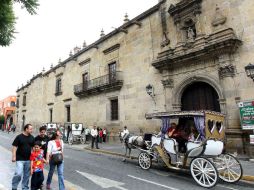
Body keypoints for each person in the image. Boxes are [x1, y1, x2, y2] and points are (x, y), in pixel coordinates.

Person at [12, 124, 35, 190]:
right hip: (19, 159)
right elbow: (14, 147)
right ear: (26, 129)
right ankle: (14, 187)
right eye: (30, 129)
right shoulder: (19, 137)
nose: (31, 130)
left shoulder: (32, 138)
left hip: (28, 159)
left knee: (27, 176)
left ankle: (25, 188)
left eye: (32, 129)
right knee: (18, 173)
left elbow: (33, 149)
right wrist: (13, 157)